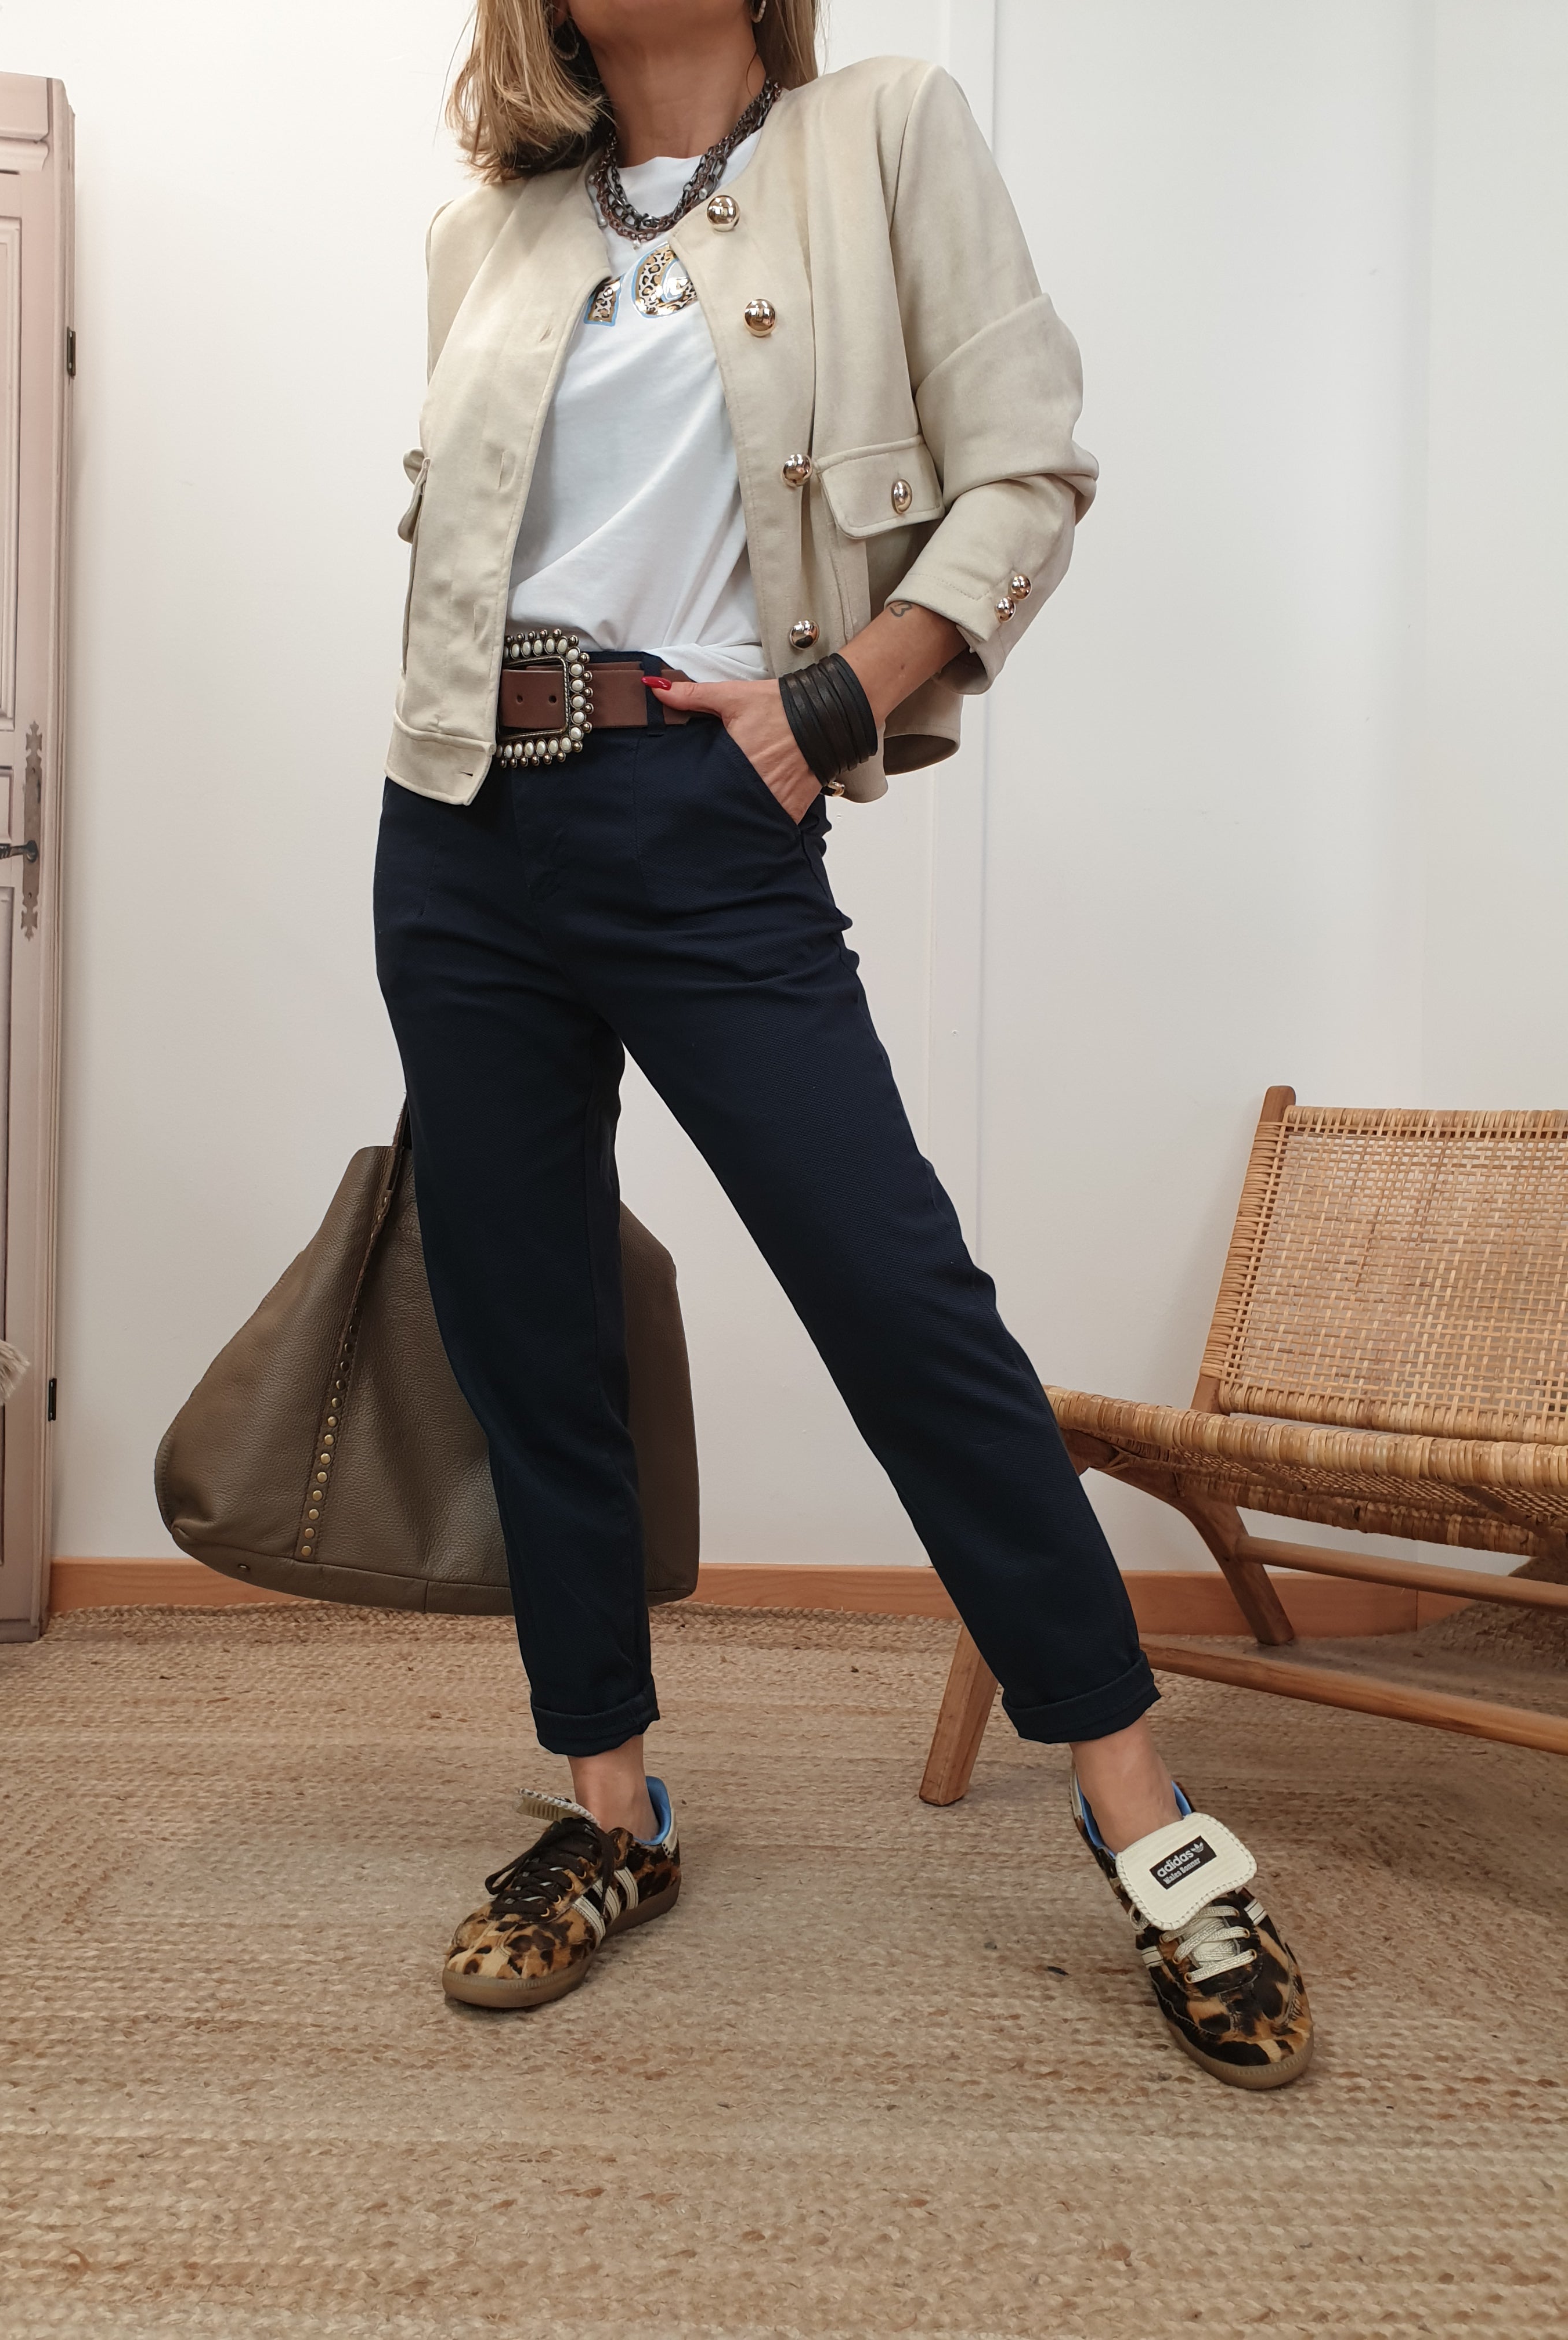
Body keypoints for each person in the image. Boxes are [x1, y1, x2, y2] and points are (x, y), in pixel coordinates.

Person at [374, 0, 1312, 2090]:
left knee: (900, 1304)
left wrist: (836, 701)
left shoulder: (884, 134)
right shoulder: (489, 230)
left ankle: (1144, 1817)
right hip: (458, 824)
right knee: (529, 1322)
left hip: (706, 804)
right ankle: (609, 1806)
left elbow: (1028, 465)